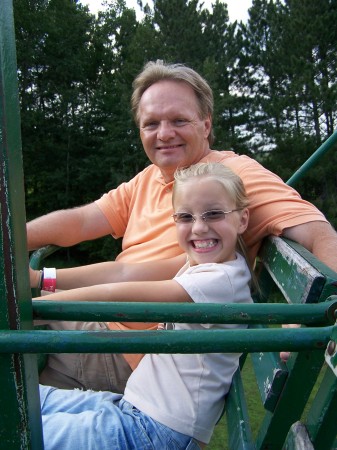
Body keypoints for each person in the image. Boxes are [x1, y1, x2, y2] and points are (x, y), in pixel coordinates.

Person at [28, 60, 337, 391]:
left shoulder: (232, 177)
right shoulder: (148, 178)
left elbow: (321, 235)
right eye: (151, 124)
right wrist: (14, 239)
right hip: (103, 321)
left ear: (206, 125)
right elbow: (82, 220)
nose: (164, 134)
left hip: (138, 354)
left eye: (178, 120)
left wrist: (305, 318)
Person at [39, 162, 253, 450]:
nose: (200, 227)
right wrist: (44, 279)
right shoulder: (206, 265)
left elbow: (117, 293)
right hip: (135, 412)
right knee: (28, 402)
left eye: (214, 214)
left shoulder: (219, 280)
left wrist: (33, 310)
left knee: (17, 428)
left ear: (242, 219)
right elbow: (121, 273)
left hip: (155, 434)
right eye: (186, 217)